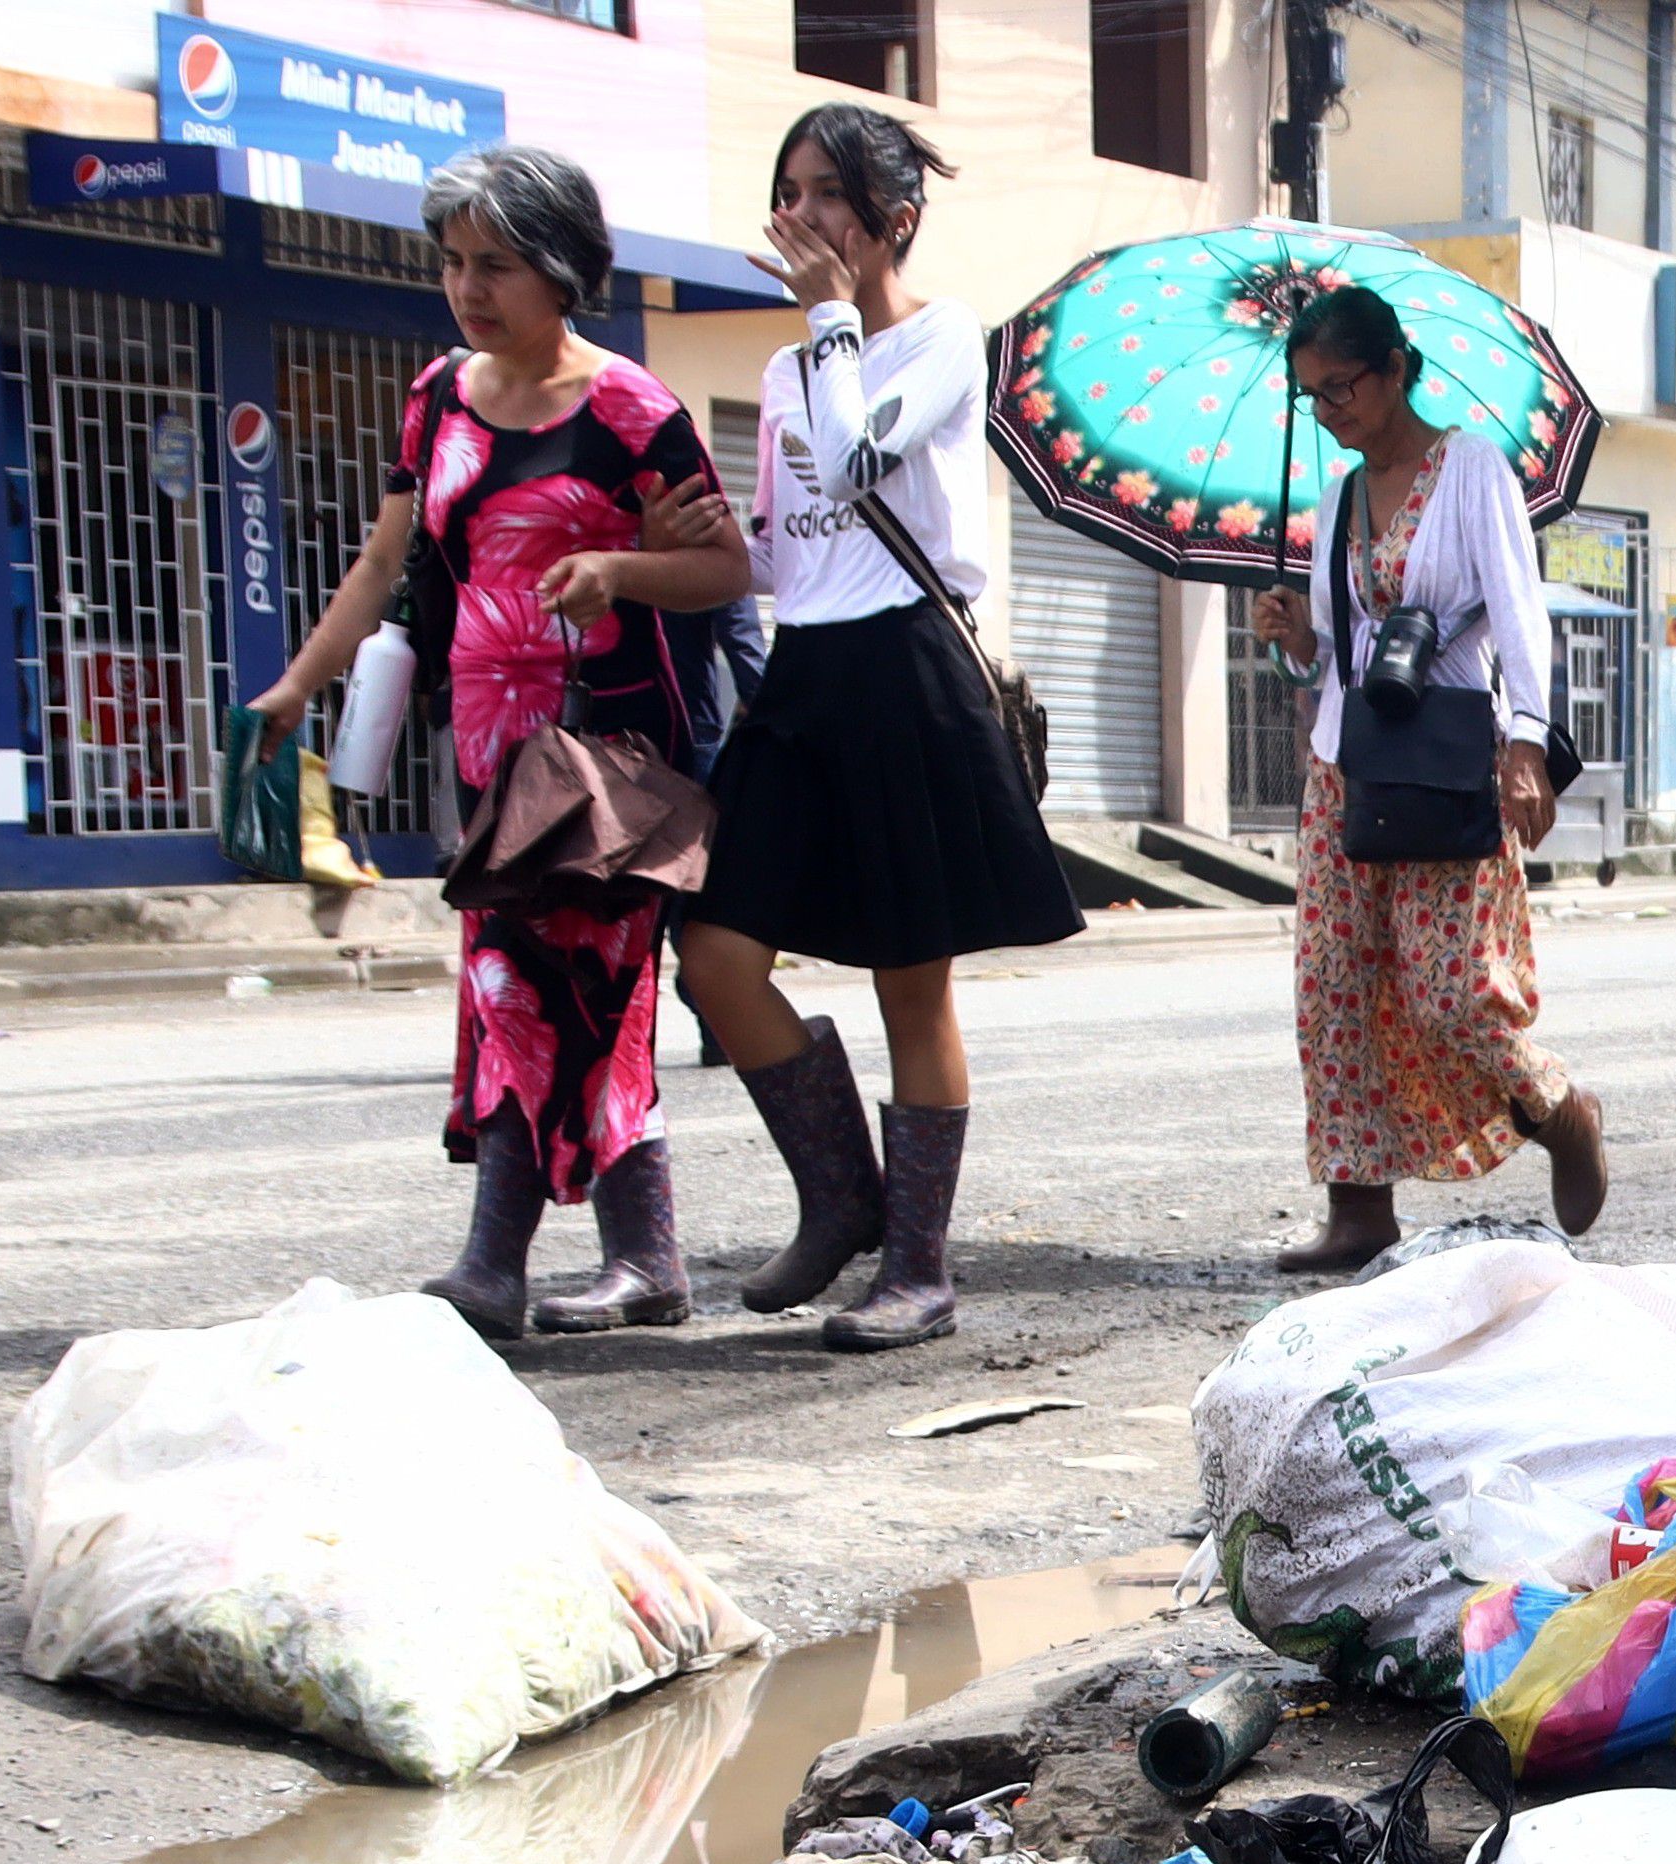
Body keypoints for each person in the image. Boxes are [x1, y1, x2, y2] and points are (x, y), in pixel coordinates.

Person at [252, 142, 750, 1338]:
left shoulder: (634, 409)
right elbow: (386, 565)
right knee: (520, 986)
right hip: (487, 754)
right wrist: (295, 687)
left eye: (497, 265)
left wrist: (621, 565)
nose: (470, 289)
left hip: (604, 754)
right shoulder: (438, 396)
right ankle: (634, 1258)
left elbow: (728, 568)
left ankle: (508, 1261)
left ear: (563, 269)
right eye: (454, 263)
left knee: (566, 986)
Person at [668, 104, 1084, 1351]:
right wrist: (684, 556)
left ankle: (919, 1264)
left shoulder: (948, 340)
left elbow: (854, 469)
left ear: (894, 218)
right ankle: (842, 1194)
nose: (800, 217)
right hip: (805, 677)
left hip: (909, 668)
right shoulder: (789, 368)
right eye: (787, 190)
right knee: (714, 954)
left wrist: (834, 320)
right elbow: (787, 549)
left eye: (827, 194)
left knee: (915, 987)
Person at [1245, 283, 1605, 1275]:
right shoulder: (1338, 497)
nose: (1331, 411)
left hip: (1450, 759)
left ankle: (1559, 1109)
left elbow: (1518, 611)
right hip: (1346, 764)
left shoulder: (1470, 470)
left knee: (1451, 990)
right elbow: (1341, 658)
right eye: (1313, 396)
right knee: (1333, 984)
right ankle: (1358, 1206)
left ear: (1395, 367)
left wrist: (1528, 741)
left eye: (1343, 386)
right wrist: (1297, 638)